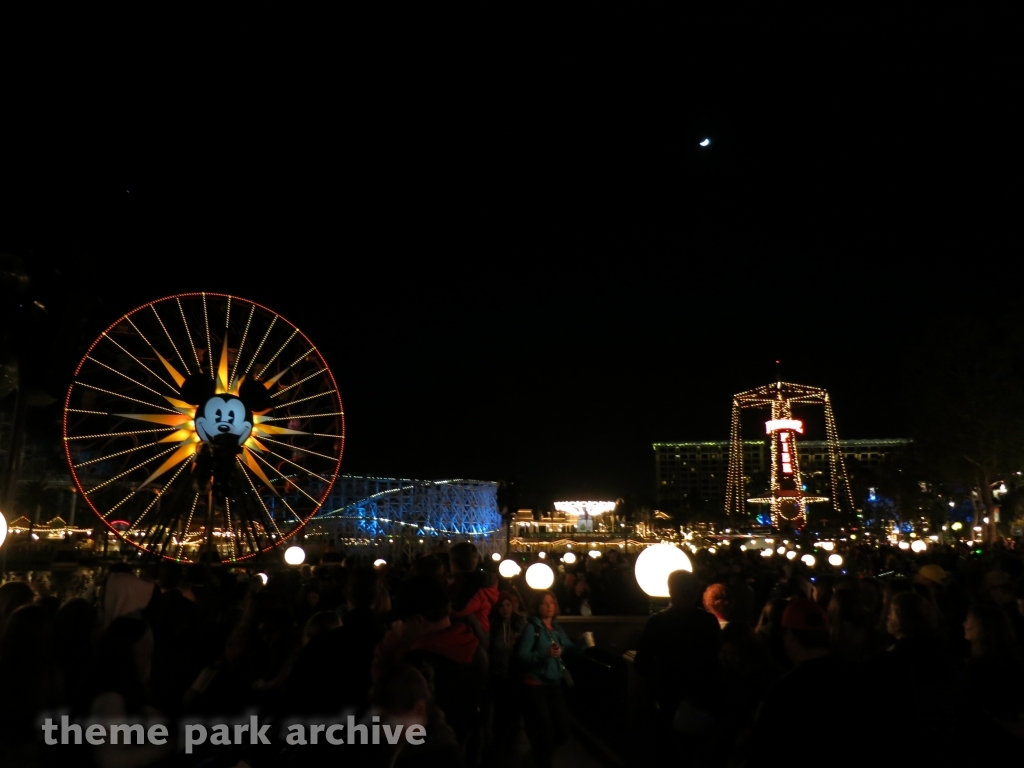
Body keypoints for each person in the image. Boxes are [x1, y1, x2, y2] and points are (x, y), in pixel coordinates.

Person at [634, 570, 721, 730]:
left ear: (671, 590)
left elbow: (641, 663)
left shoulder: (658, 621)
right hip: (701, 694)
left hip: (667, 694)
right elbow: (715, 658)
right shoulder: (708, 621)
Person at [515, 591, 582, 768]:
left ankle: (538, 754)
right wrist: (543, 654)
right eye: (544, 603)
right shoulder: (533, 628)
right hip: (535, 685)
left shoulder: (556, 629)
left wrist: (583, 644)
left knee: (562, 731)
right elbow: (522, 656)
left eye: (552, 602)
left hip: (554, 685)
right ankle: (542, 760)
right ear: (538, 607)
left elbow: (568, 649)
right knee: (545, 731)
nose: (549, 606)